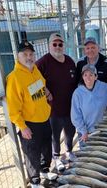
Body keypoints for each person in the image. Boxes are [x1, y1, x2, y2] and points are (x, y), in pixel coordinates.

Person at [6, 41, 57, 188]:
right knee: (32, 153)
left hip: (44, 118)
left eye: (31, 54)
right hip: (30, 123)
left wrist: (46, 92)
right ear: (18, 56)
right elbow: (13, 108)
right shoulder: (14, 78)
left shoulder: (34, 70)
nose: (29, 57)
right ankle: (34, 182)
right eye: (25, 54)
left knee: (46, 149)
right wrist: (22, 126)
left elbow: (40, 85)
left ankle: (45, 170)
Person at [36, 33, 77, 171]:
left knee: (70, 132)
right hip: (53, 110)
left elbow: (77, 81)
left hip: (70, 108)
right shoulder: (43, 62)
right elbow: (33, 81)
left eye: (60, 44)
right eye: (54, 44)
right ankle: (56, 158)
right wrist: (45, 91)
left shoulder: (70, 61)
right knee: (55, 135)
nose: (57, 47)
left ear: (64, 46)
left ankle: (69, 151)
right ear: (49, 46)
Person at [71, 64, 107, 149]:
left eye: (91, 75)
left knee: (103, 155)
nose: (88, 78)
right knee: (86, 157)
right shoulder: (77, 93)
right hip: (86, 133)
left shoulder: (103, 87)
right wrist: (83, 131)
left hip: (102, 129)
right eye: (85, 75)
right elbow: (75, 116)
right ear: (82, 77)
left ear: (96, 77)